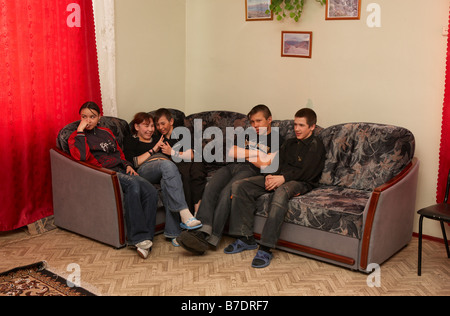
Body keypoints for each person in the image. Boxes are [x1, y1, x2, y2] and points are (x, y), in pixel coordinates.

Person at [224, 108, 326, 268]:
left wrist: (283, 178)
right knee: (240, 186)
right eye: (295, 125)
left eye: (301, 125)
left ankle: (265, 248)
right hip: (279, 176)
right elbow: (277, 162)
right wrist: (272, 175)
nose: (297, 129)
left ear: (312, 127)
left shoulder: (316, 145)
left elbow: (307, 171)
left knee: (280, 193)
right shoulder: (290, 143)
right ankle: (245, 238)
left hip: (301, 181)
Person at [177, 104, 283, 255]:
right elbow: (233, 152)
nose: (255, 125)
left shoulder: (276, 138)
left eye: (258, 121)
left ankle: (212, 237)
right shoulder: (248, 133)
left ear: (269, 120)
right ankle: (202, 230)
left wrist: (246, 153)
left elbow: (266, 164)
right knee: (211, 187)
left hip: (251, 170)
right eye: (252, 122)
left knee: (227, 192)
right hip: (232, 166)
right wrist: (255, 154)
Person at [68, 102, 158, 259]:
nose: (88, 120)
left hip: (121, 170)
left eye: (92, 117)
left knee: (150, 190)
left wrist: (128, 165)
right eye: (84, 117)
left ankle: (146, 239)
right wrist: (81, 131)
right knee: (133, 184)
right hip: (103, 173)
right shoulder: (75, 136)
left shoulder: (106, 132)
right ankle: (138, 238)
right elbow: (81, 158)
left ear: (99, 118)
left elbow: (119, 154)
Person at [123, 112, 202, 246]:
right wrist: (154, 149)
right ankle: (185, 213)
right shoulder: (131, 140)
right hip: (146, 170)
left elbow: (178, 154)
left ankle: (173, 232)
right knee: (167, 165)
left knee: (168, 182)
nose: (151, 129)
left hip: (166, 168)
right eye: (146, 126)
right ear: (136, 127)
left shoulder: (159, 138)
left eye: (152, 126)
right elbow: (134, 162)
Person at [153, 108, 207, 218]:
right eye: (157, 125)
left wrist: (172, 152)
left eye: (163, 123)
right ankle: (192, 215)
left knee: (196, 168)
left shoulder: (182, 133)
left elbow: (192, 155)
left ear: (171, 121)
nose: (160, 127)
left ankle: (197, 213)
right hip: (179, 166)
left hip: (193, 161)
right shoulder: (159, 140)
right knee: (185, 174)